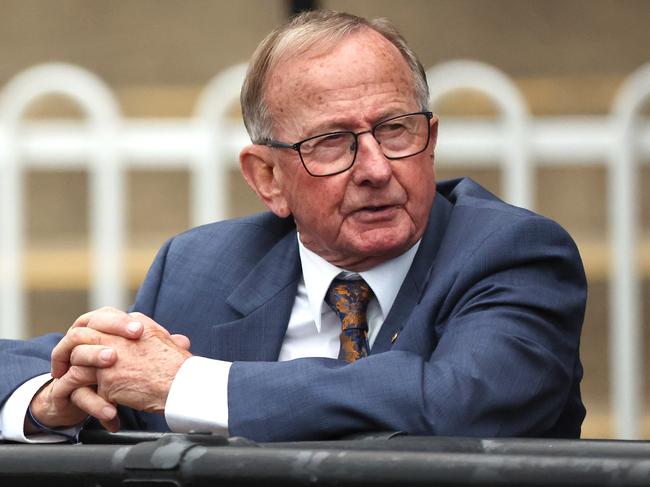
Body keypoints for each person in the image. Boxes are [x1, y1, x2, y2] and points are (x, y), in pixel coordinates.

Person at [0, 10, 586, 443]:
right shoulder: (202, 267)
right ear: (268, 179)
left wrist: (191, 385)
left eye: (395, 129)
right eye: (332, 143)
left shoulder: (514, 254)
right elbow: (56, 366)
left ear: (430, 140)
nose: (377, 169)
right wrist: (50, 400)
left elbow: (462, 404)